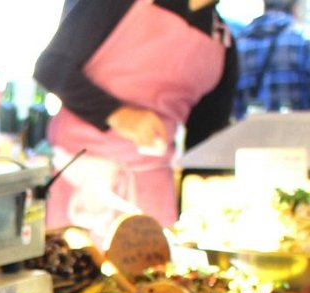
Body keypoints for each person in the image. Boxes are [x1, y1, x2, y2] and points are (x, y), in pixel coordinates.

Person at [36, 0, 237, 242]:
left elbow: (204, 142)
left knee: (153, 278)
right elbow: (51, 66)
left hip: (154, 192)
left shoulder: (223, 41)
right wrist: (118, 113)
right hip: (84, 178)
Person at [234, 0, 310, 116]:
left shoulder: (238, 45)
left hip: (249, 131)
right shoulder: (301, 43)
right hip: (294, 131)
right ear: (294, 8)